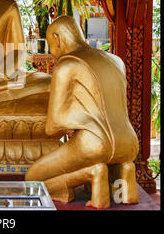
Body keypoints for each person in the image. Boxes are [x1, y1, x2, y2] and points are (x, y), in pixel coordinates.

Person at [25, 15, 139, 209]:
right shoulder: (116, 61)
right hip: (128, 144)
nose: (52, 53)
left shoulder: (66, 65)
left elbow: (53, 128)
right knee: (110, 157)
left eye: (52, 45)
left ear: (58, 39)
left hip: (93, 145)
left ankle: (92, 173)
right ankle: (125, 172)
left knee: (32, 178)